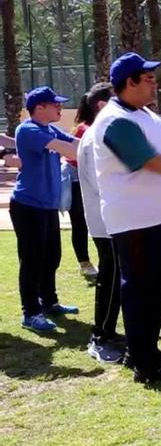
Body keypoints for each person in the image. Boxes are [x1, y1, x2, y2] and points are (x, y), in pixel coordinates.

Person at [92, 52, 161, 382]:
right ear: (130, 82)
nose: (154, 83)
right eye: (148, 78)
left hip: (158, 216)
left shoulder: (147, 115)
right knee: (139, 290)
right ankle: (144, 364)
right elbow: (151, 161)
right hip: (135, 220)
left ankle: (147, 351)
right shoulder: (114, 121)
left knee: (153, 289)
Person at [10, 86, 80, 333]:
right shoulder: (28, 129)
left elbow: (77, 142)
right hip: (28, 206)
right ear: (40, 107)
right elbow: (71, 150)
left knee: (51, 257)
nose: (59, 107)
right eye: (55, 104)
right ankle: (30, 313)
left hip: (47, 206)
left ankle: (49, 303)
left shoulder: (50, 129)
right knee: (31, 261)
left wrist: (98, 143)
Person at [76, 82, 126, 363]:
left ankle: (108, 329)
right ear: (102, 106)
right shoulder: (96, 136)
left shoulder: (101, 133)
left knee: (116, 276)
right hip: (107, 222)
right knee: (110, 276)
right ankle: (100, 336)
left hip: (114, 219)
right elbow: (102, 183)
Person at [66, 100, 100, 279]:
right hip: (77, 180)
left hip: (89, 179)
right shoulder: (85, 129)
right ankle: (84, 262)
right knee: (80, 222)